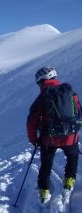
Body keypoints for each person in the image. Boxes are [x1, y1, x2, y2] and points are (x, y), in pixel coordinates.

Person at [27, 66, 81, 203]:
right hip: (70, 137)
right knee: (72, 157)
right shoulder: (70, 92)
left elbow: (31, 121)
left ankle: (44, 193)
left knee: (46, 165)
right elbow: (79, 112)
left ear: (41, 81)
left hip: (49, 139)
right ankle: (68, 183)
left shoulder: (43, 96)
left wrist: (34, 140)